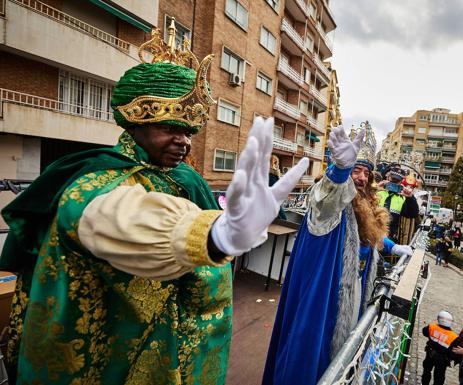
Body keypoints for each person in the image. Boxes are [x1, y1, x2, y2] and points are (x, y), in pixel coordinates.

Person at [0, 29, 309, 384]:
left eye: (189, 132)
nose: (185, 143)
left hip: (179, 335)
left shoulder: (185, 178)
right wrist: (211, 236)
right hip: (119, 347)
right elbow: (110, 215)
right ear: (137, 123)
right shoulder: (95, 176)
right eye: (170, 129)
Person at [263, 124, 413, 385]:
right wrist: (341, 170)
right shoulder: (334, 201)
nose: (362, 178)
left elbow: (367, 235)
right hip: (327, 301)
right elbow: (325, 200)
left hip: (355, 296)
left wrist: (390, 246)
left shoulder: (365, 205)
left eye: (366, 172)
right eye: (357, 170)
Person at [421, 311, 459, 385]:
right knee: (439, 378)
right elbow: (453, 351)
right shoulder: (454, 336)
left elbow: (424, 332)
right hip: (442, 359)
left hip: (430, 354)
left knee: (426, 372)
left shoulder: (432, 326)